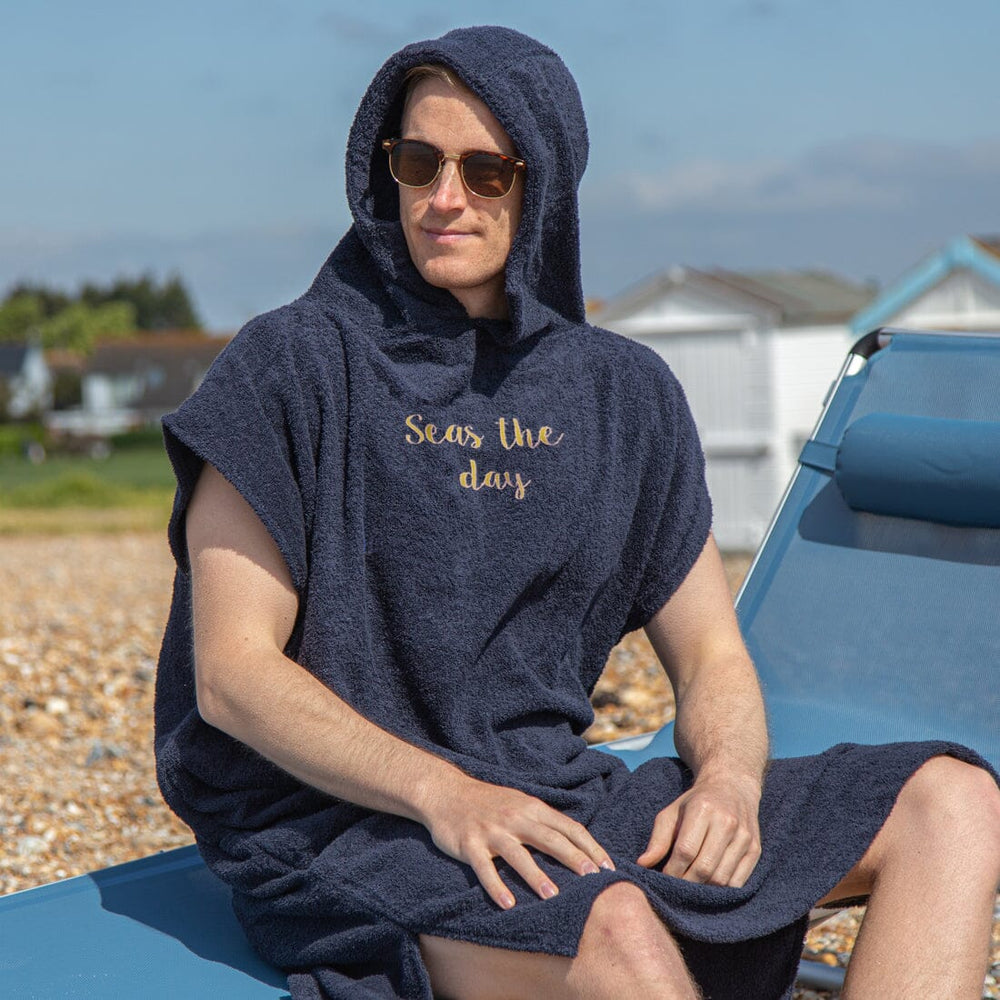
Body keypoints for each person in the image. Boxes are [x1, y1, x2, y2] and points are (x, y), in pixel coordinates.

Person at [155, 25, 1000, 1000]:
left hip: (555, 796)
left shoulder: (622, 394)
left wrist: (728, 783)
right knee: (619, 931)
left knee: (951, 800)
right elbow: (232, 675)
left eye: (485, 172)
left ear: (543, 186)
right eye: (418, 162)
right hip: (346, 822)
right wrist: (445, 793)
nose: (443, 198)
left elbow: (712, 656)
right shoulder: (291, 367)